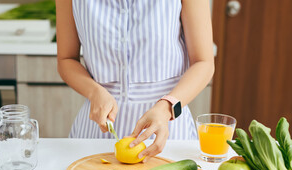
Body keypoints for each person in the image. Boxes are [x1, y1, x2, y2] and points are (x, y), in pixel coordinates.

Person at [56, 0, 214, 159]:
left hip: (168, 132)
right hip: (96, 130)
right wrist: (94, 91)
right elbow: (66, 60)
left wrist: (166, 108)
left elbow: (204, 63)